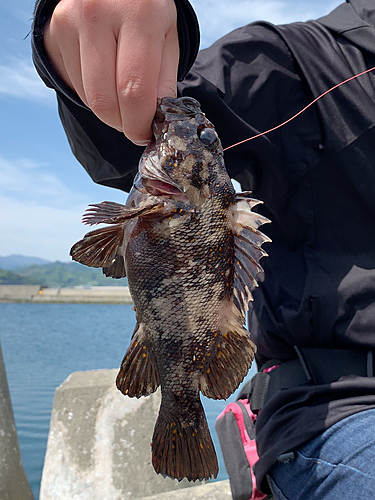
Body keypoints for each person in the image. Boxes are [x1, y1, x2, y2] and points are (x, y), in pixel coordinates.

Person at [32, 0, 375, 498]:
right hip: (339, 405)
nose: (194, 135)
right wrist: (83, 53)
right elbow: (120, 137)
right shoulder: (300, 61)